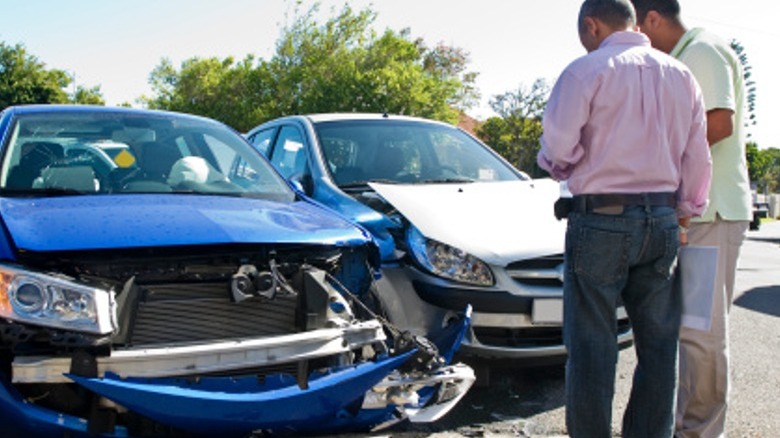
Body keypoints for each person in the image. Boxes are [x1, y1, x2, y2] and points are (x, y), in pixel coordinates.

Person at [537, 0, 712, 436]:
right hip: (663, 220)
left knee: (593, 348)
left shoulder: (585, 71)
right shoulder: (681, 75)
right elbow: (698, 158)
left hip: (601, 218)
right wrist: (686, 211)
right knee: (658, 347)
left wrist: (566, 165)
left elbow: (558, 149)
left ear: (592, 26)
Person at [629, 1, 753, 436]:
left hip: (710, 213)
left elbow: (720, 123)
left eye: (637, 29)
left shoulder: (701, 50)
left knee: (701, 332)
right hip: (694, 215)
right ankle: (688, 426)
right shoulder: (683, 57)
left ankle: (699, 431)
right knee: (689, 329)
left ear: (652, 20)